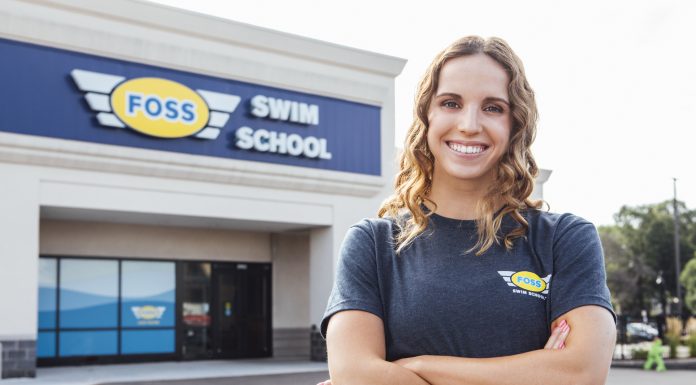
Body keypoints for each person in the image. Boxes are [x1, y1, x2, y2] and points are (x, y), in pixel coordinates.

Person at [319, 36, 616, 385]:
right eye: (450, 103)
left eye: (493, 108)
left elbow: (581, 371)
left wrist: (418, 367)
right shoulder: (372, 244)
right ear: (425, 116)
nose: (470, 124)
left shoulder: (563, 239)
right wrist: (533, 373)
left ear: (514, 124)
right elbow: (355, 373)